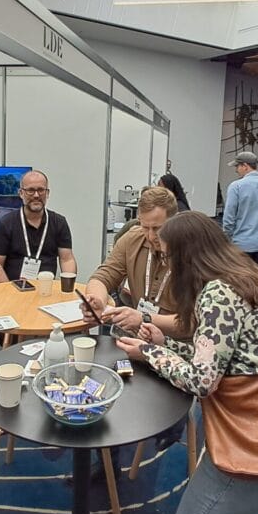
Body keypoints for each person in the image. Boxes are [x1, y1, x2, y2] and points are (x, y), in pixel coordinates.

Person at [114, 212, 258, 514]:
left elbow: (201, 381)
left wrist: (150, 353)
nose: (169, 265)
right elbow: (216, 360)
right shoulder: (243, 280)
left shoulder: (216, 296)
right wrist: (161, 345)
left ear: (187, 255)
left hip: (246, 450)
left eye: (170, 256)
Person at [84, 187, 185, 457]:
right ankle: (107, 462)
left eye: (158, 229)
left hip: (177, 347)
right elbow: (103, 276)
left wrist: (147, 317)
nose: (151, 236)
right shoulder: (133, 238)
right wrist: (97, 300)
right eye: (145, 227)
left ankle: (174, 422)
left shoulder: (191, 252)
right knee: (100, 384)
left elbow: (194, 323)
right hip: (138, 339)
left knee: (155, 404)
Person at [0, 170, 77, 283]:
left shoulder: (59, 222)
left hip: (46, 290)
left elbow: (67, 259)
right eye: (30, 190)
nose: (36, 195)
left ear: (47, 193)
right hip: (13, 291)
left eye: (41, 190)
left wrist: (67, 288)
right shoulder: (5, 224)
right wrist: (9, 293)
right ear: (21, 193)